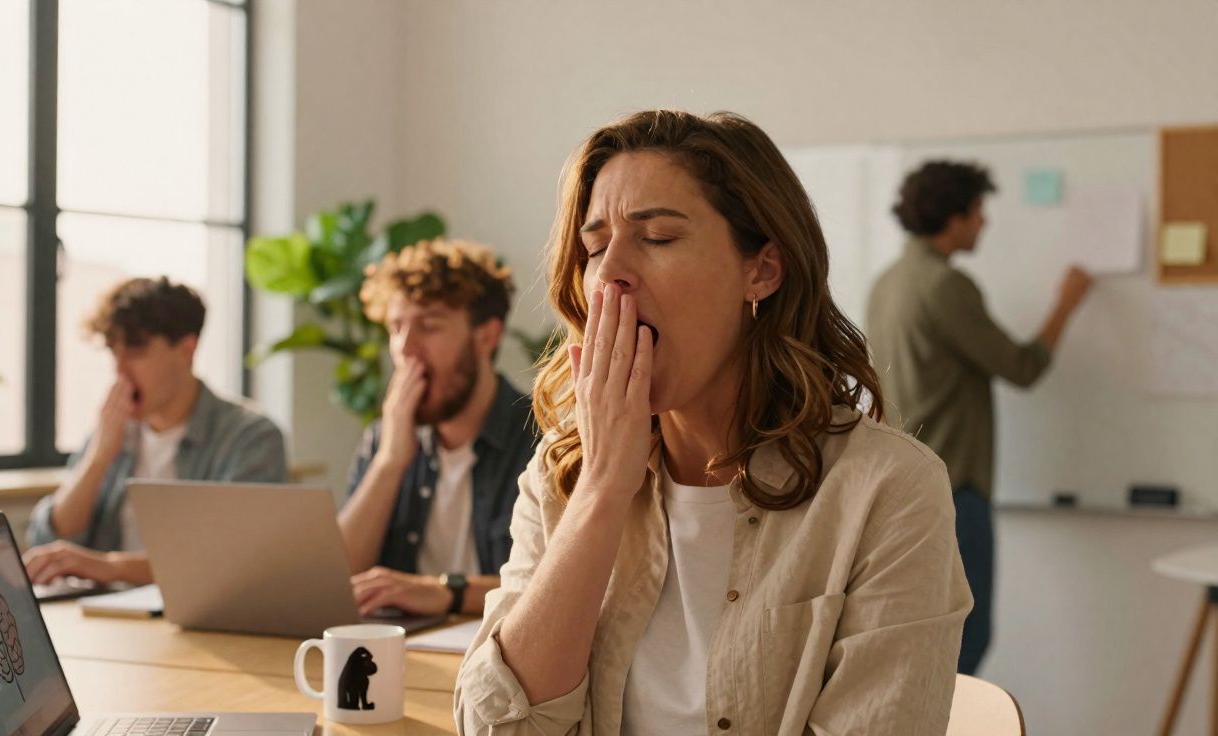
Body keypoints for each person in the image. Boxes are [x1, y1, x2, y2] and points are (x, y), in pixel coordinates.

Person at [454, 110, 972, 736]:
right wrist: (601, 491)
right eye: (593, 248)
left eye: (659, 238)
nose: (611, 274)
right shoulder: (562, 475)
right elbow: (497, 727)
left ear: (762, 270)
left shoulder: (887, 487)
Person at [865, 160, 1093, 676]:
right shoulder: (946, 286)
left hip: (902, 485)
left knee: (925, 641)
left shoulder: (889, 282)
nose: (984, 224)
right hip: (953, 488)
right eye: (978, 212)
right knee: (965, 643)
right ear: (954, 217)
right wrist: (1066, 304)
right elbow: (1022, 367)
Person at [24, 277, 288, 586]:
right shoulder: (114, 431)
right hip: (104, 615)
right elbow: (48, 539)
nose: (120, 371)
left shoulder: (250, 437)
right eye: (114, 352)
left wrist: (110, 567)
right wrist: (99, 457)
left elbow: (231, 560)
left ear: (187, 350)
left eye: (136, 351)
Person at [337, 238, 536, 619]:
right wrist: (389, 463)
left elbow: (556, 582)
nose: (405, 349)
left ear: (486, 337)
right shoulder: (385, 438)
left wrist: (446, 593)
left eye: (428, 326)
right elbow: (340, 577)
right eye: (396, 327)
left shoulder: (542, 439)